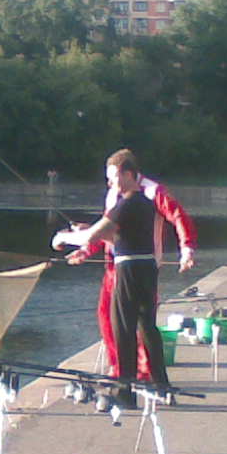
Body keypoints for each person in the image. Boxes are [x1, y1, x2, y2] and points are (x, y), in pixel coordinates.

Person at [51, 149, 196, 406]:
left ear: (129, 174)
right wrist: (87, 247)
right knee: (146, 326)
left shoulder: (138, 197)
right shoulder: (137, 201)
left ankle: (125, 391)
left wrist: (64, 238)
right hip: (143, 267)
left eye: (114, 177)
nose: (110, 183)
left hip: (127, 269)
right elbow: (114, 233)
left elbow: (102, 232)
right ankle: (162, 386)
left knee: (123, 329)